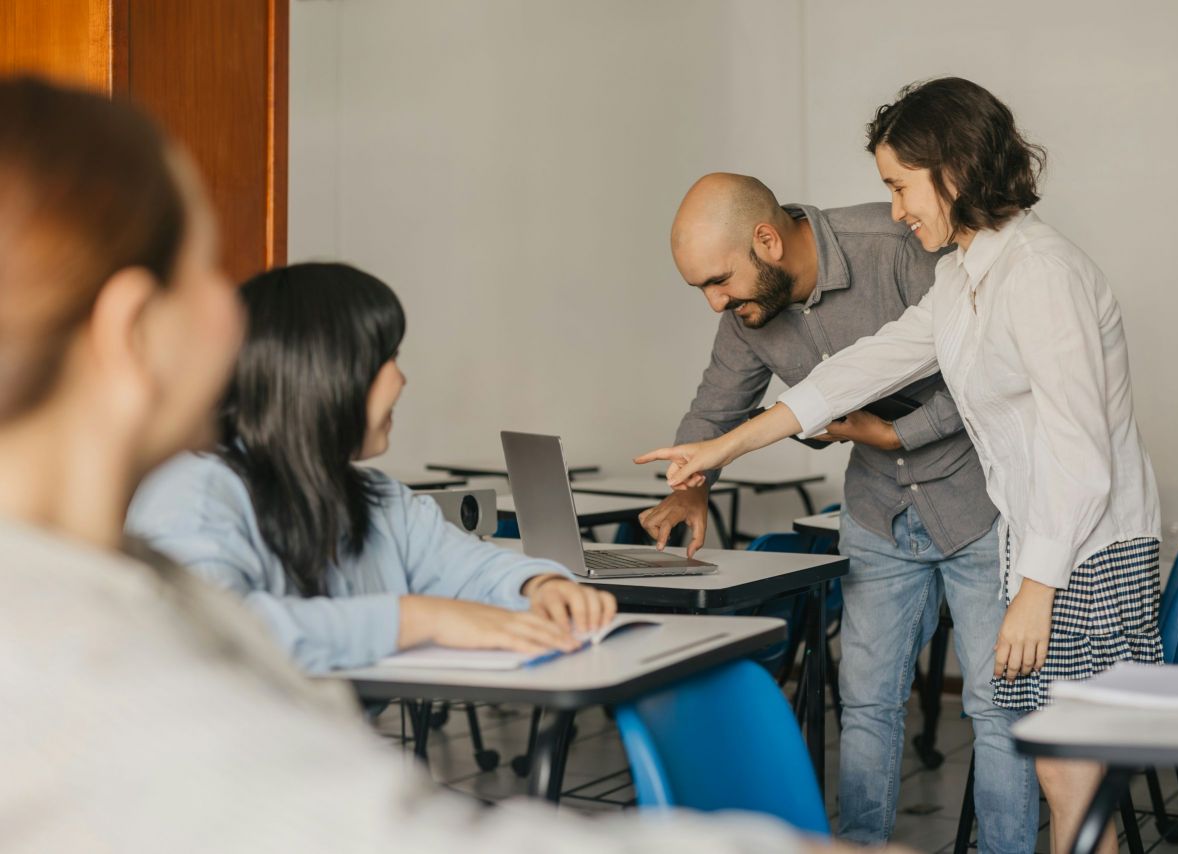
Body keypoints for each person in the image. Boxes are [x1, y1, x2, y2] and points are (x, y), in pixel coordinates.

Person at [0, 75, 887, 853]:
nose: (238, 320)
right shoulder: (78, 651)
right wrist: (420, 619)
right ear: (129, 332)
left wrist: (535, 586)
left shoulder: (125, 584)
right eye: (204, 273)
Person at [637, 77, 1162, 854]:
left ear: (954, 170)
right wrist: (721, 449)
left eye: (900, 185)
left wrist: (1035, 589)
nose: (895, 208)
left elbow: (1081, 454)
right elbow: (858, 370)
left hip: (1081, 553)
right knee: (1068, 783)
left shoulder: (1040, 273)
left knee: (1072, 782)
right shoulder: (967, 274)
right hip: (1049, 547)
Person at [641, 173, 1036, 849]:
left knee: (998, 711)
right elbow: (719, 401)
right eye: (700, 289)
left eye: (718, 280)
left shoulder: (895, 245)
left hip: (978, 504)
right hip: (877, 511)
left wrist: (896, 433)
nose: (714, 302)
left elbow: (989, 369)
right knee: (866, 708)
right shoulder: (749, 312)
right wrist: (690, 486)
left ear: (767, 240)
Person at [127, 262, 615, 673]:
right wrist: (413, 619)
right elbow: (209, 634)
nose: (401, 379)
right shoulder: (194, 490)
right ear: (327, 372)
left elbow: (466, 566)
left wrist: (541, 586)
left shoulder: (375, 496)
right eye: (388, 358)